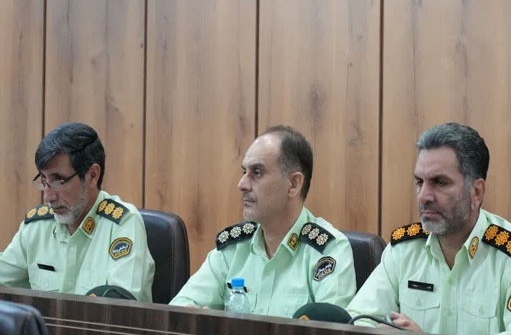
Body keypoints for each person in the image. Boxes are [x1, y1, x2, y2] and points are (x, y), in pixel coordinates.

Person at [347, 122, 511, 334]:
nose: (424, 196)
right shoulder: (403, 250)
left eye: (440, 182)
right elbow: (356, 320)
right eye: (420, 182)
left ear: (476, 192)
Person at [170, 125, 356, 317]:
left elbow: (331, 326)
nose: (242, 184)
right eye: (244, 172)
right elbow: (180, 307)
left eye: (257, 173)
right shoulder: (234, 247)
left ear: (293, 184)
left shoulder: (328, 250)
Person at [0, 122, 155, 301]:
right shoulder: (37, 227)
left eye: (59, 180)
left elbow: (121, 309)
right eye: (44, 180)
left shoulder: (123, 225)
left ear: (92, 175)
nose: (48, 197)